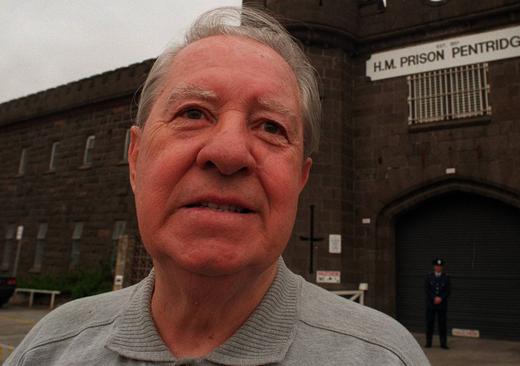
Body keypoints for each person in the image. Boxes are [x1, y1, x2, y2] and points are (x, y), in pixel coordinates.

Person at [5, 6, 429, 366]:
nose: (228, 152)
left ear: (301, 178)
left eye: (270, 126)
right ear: (135, 158)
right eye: (193, 113)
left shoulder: (385, 358)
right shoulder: (47, 350)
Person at [425, 258, 451, 349]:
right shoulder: (429, 276)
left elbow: (448, 290)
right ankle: (428, 343)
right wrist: (434, 298)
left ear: (442, 267)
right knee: (429, 324)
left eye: (440, 266)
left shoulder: (446, 277)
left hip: (442, 305)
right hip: (431, 305)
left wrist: (441, 298)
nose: (438, 268)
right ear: (434, 267)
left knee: (442, 324)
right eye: (436, 266)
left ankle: (443, 344)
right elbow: (427, 290)